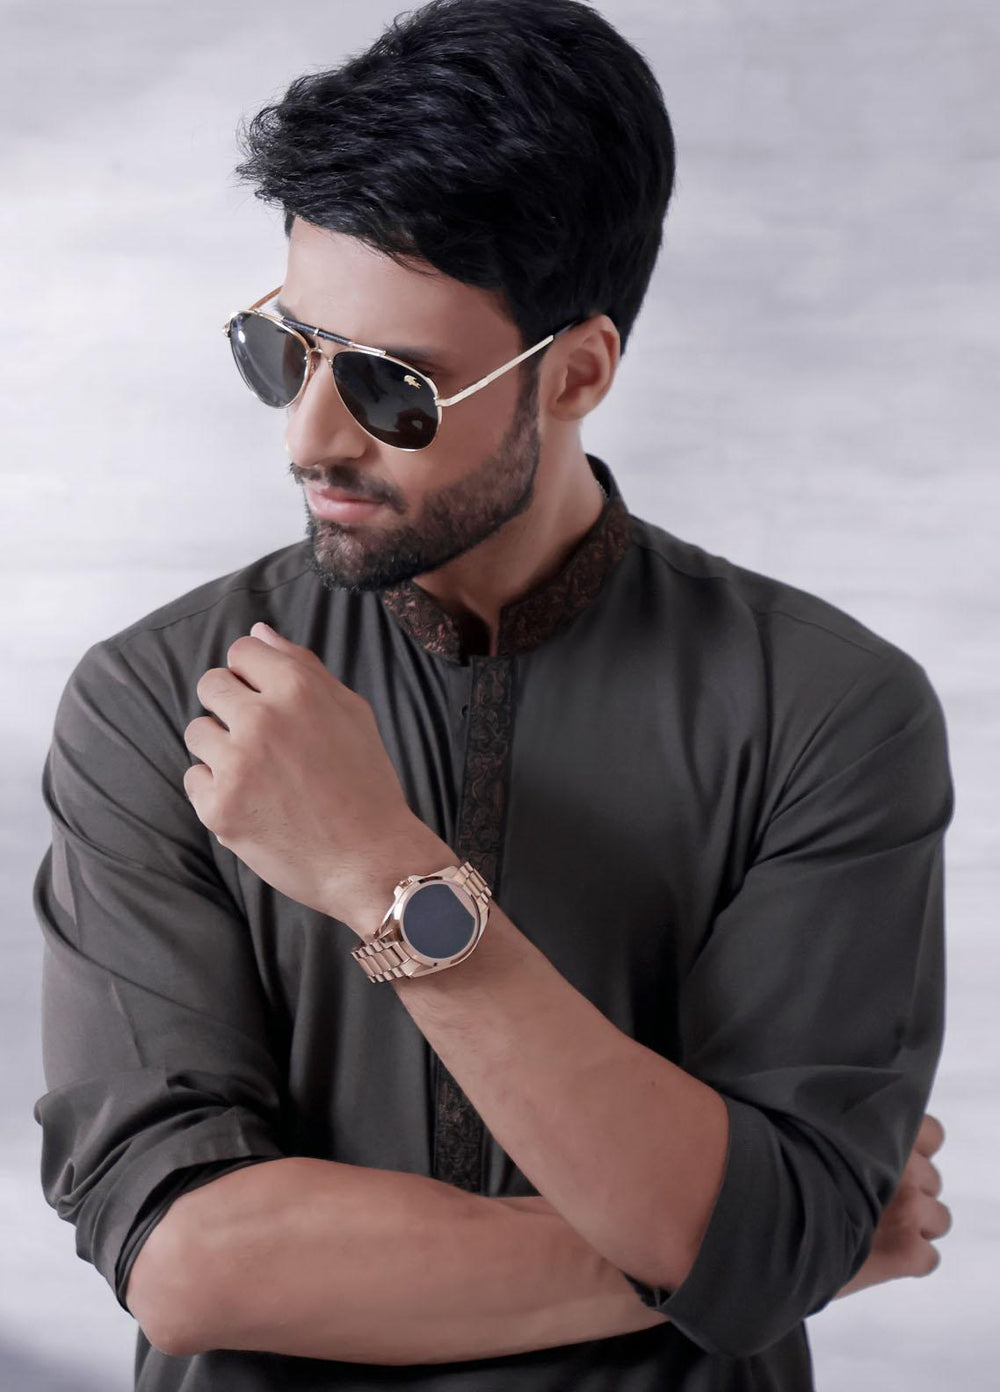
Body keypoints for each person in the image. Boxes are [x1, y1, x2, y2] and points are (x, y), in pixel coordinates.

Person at [32, 0, 954, 1387]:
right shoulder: (157, 698)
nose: (309, 435)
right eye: (285, 349)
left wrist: (382, 874)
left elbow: (769, 1237)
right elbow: (188, 1266)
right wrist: (754, 1248)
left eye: (391, 386)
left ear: (576, 373)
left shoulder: (826, 712)